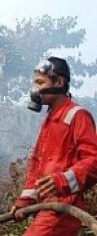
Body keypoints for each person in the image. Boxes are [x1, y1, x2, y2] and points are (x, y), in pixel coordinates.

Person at [11, 56, 97, 235]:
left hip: (64, 207)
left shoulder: (78, 116)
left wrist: (62, 180)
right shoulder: (50, 120)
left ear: (58, 82)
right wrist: (25, 201)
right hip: (46, 207)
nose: (36, 89)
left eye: (40, 83)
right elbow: (36, 165)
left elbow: (94, 160)